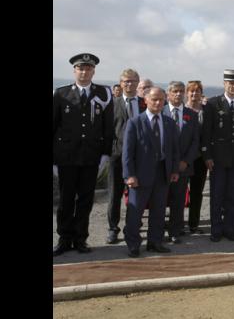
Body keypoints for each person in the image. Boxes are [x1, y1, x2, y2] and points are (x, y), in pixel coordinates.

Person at [53, 53, 114, 256]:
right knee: (66, 200)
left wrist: (105, 154)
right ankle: (64, 239)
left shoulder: (103, 94)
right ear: (74, 71)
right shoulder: (61, 94)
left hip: (91, 157)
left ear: (93, 71)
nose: (84, 71)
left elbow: (107, 127)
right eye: (80, 68)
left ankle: (80, 239)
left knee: (85, 200)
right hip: (66, 157)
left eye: (88, 68)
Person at [122, 87, 180, 257]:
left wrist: (174, 169)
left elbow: (174, 150)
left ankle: (155, 242)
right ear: (145, 100)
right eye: (154, 99)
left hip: (163, 173)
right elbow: (127, 152)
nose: (157, 103)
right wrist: (129, 175)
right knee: (135, 212)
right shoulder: (135, 122)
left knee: (159, 210)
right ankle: (133, 244)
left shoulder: (169, 123)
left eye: (161, 100)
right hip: (140, 175)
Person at [201, 69, 234, 242]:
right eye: (230, 83)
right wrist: (207, 156)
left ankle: (229, 228)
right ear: (224, 84)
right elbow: (206, 133)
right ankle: (216, 229)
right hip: (218, 158)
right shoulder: (213, 103)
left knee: (233, 194)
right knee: (217, 195)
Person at [106, 68, 145, 245]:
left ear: (138, 83)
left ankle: (134, 226)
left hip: (140, 157)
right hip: (117, 156)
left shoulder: (145, 103)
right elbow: (106, 130)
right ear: (121, 83)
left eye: (132, 81)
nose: (129, 84)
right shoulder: (112, 104)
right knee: (115, 195)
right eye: (126, 81)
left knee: (137, 194)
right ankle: (112, 229)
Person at [165, 81, 201, 244]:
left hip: (183, 166)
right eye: (174, 91)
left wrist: (186, 161)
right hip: (162, 166)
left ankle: (175, 231)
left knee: (178, 201)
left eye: (180, 91)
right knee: (159, 200)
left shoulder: (191, 115)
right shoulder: (161, 111)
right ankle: (157, 230)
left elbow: (195, 142)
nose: (178, 94)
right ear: (168, 94)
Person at [184, 80, 208, 234]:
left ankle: (194, 223)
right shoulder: (181, 110)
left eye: (197, 91)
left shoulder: (206, 110)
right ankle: (177, 223)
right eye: (191, 91)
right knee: (179, 192)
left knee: (197, 192)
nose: (194, 94)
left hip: (200, 158)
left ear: (201, 93)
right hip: (184, 158)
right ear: (187, 92)